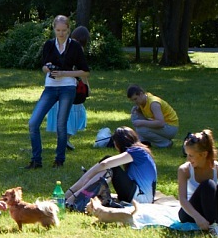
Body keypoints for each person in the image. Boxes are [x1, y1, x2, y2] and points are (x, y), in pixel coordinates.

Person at [26, 15, 90, 169]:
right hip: (50, 87)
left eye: (64, 30)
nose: (61, 33)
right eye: (58, 30)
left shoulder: (74, 46)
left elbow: (85, 71)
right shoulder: (49, 45)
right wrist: (48, 68)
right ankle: (36, 159)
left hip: (68, 87)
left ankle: (59, 159)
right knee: (33, 123)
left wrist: (64, 73)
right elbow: (43, 66)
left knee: (61, 124)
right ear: (54, 29)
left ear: (69, 29)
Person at [65, 127, 157, 206]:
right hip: (139, 196)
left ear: (118, 143)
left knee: (110, 166)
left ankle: (73, 198)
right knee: (108, 166)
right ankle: (71, 195)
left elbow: (105, 163)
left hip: (141, 199)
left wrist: (88, 176)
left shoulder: (138, 151)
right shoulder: (139, 151)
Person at [46, 26, 90, 151]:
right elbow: (81, 71)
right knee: (75, 113)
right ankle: (65, 139)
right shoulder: (78, 49)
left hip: (58, 84)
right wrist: (87, 87)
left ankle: (63, 139)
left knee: (61, 113)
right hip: (71, 86)